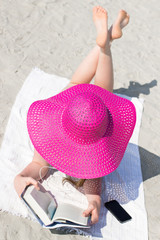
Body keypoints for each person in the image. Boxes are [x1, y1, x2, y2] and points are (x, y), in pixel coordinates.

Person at [14, 6, 134, 225]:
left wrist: (20, 178)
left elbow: (33, 167)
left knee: (89, 87)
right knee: (100, 92)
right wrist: (20, 180)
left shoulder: (50, 140)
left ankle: (106, 41)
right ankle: (106, 41)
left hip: (74, 108)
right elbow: (93, 190)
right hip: (77, 108)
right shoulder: (90, 151)